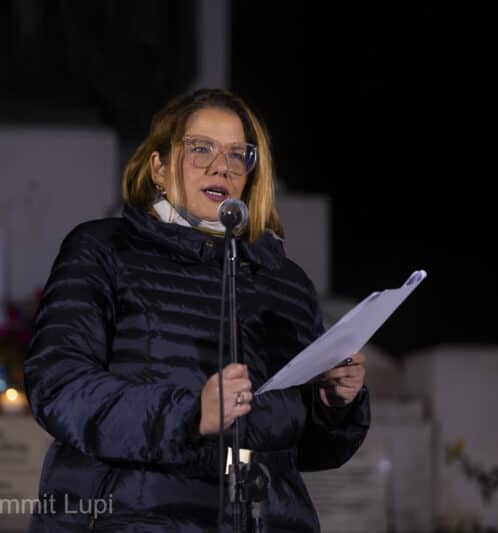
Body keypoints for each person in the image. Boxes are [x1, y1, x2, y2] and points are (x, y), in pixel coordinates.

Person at [24, 88, 370, 532]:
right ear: (159, 167)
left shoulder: (286, 283)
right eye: (201, 148)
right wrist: (189, 416)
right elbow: (59, 387)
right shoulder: (104, 249)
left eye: (237, 154)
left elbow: (310, 452)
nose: (221, 166)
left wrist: (333, 404)